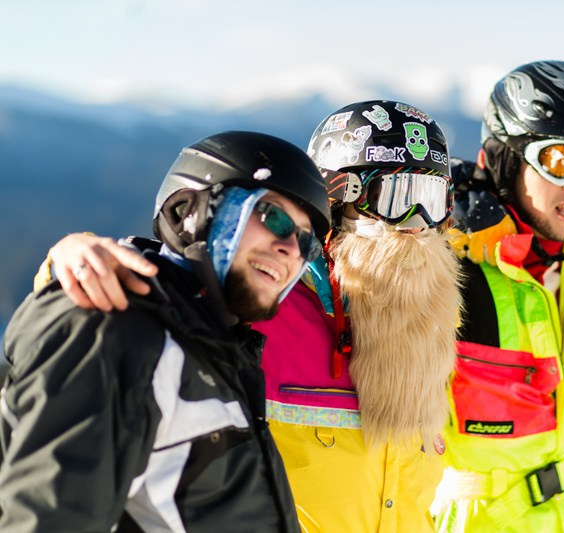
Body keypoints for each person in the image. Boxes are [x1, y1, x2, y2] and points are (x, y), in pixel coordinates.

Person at [31, 100, 462, 532]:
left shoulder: (436, 322)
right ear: (339, 200)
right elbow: (168, 278)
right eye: (398, 198)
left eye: (433, 200)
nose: (418, 224)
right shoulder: (265, 305)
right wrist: (72, 258)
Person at [0, 131, 332, 531]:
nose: (291, 249)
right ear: (186, 211)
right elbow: (48, 517)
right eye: (272, 217)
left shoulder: (214, 350)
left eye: (306, 243)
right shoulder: (115, 329)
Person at [433, 60, 564, 532]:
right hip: (482, 517)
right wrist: (440, 200)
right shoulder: (445, 260)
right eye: (560, 160)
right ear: (504, 159)